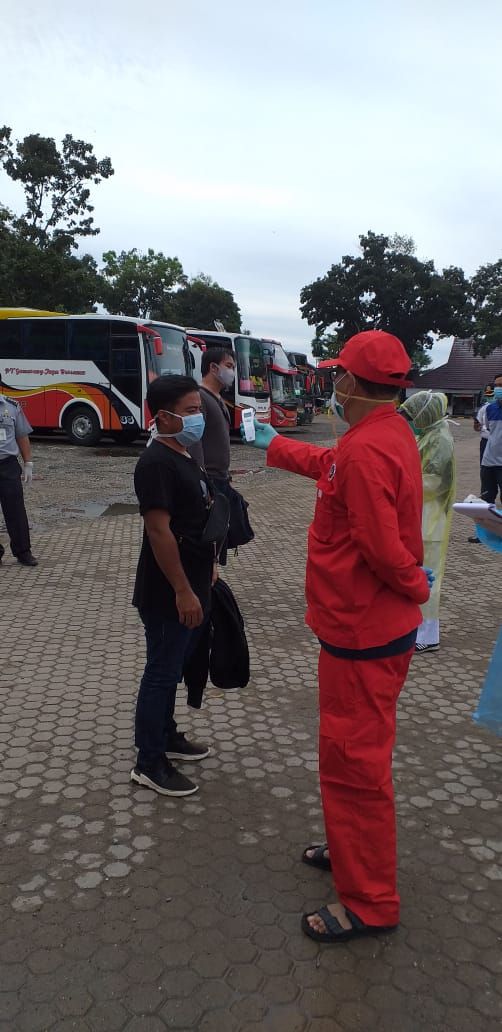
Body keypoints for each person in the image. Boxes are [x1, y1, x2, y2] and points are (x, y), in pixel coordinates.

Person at [246, 330, 431, 945]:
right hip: (363, 630)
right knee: (346, 759)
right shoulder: (381, 435)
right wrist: (276, 448)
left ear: (349, 382)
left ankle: (371, 903)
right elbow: (327, 467)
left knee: (355, 768)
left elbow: (381, 549)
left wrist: (415, 586)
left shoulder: (365, 450)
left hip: (364, 631)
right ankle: (350, 851)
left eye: (336, 377)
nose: (331, 386)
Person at [131, 375, 217, 798]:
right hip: (168, 590)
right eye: (189, 411)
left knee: (172, 669)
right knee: (161, 673)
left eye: (198, 409)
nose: (197, 417)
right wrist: (183, 589)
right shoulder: (155, 464)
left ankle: (166, 736)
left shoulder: (182, 452)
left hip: (193, 581)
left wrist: (208, 572)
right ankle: (149, 762)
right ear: (161, 416)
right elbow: (159, 533)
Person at [400, 391, 455, 653]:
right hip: (422, 515)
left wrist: (400, 483)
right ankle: (418, 628)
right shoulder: (429, 434)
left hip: (430, 518)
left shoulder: (440, 439)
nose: (409, 420)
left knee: (430, 577)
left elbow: (431, 482)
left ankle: (429, 634)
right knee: (422, 574)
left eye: (412, 416)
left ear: (424, 415)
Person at [0, 390, 37, 567]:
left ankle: (23, 551)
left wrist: (28, 463)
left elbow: (21, 435)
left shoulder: (12, 406)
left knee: (15, 510)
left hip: (7, 465)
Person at [469, 385, 494, 543]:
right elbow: (477, 426)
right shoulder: (487, 408)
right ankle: (484, 533)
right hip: (487, 447)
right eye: (496, 386)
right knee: (487, 494)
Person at [480, 373, 502, 506]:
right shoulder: (489, 409)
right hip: (489, 462)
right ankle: (487, 527)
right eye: (497, 386)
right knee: (486, 501)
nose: (499, 389)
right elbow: (488, 429)